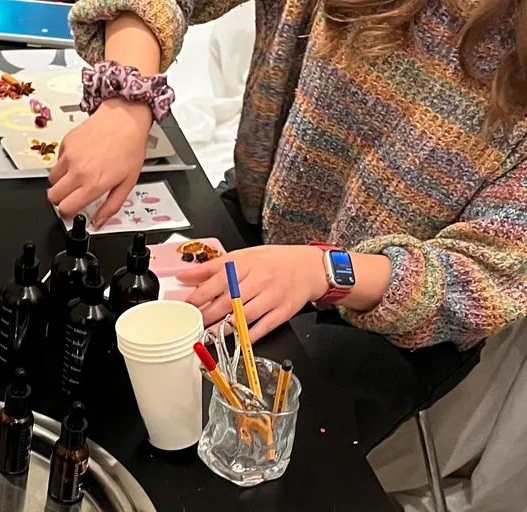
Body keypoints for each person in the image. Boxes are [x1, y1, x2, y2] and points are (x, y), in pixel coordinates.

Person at [47, 0, 527, 509]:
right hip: (260, 224)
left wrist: (322, 270)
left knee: (214, 454)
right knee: (98, 361)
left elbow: (483, 274)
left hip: (379, 320)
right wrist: (127, 101)